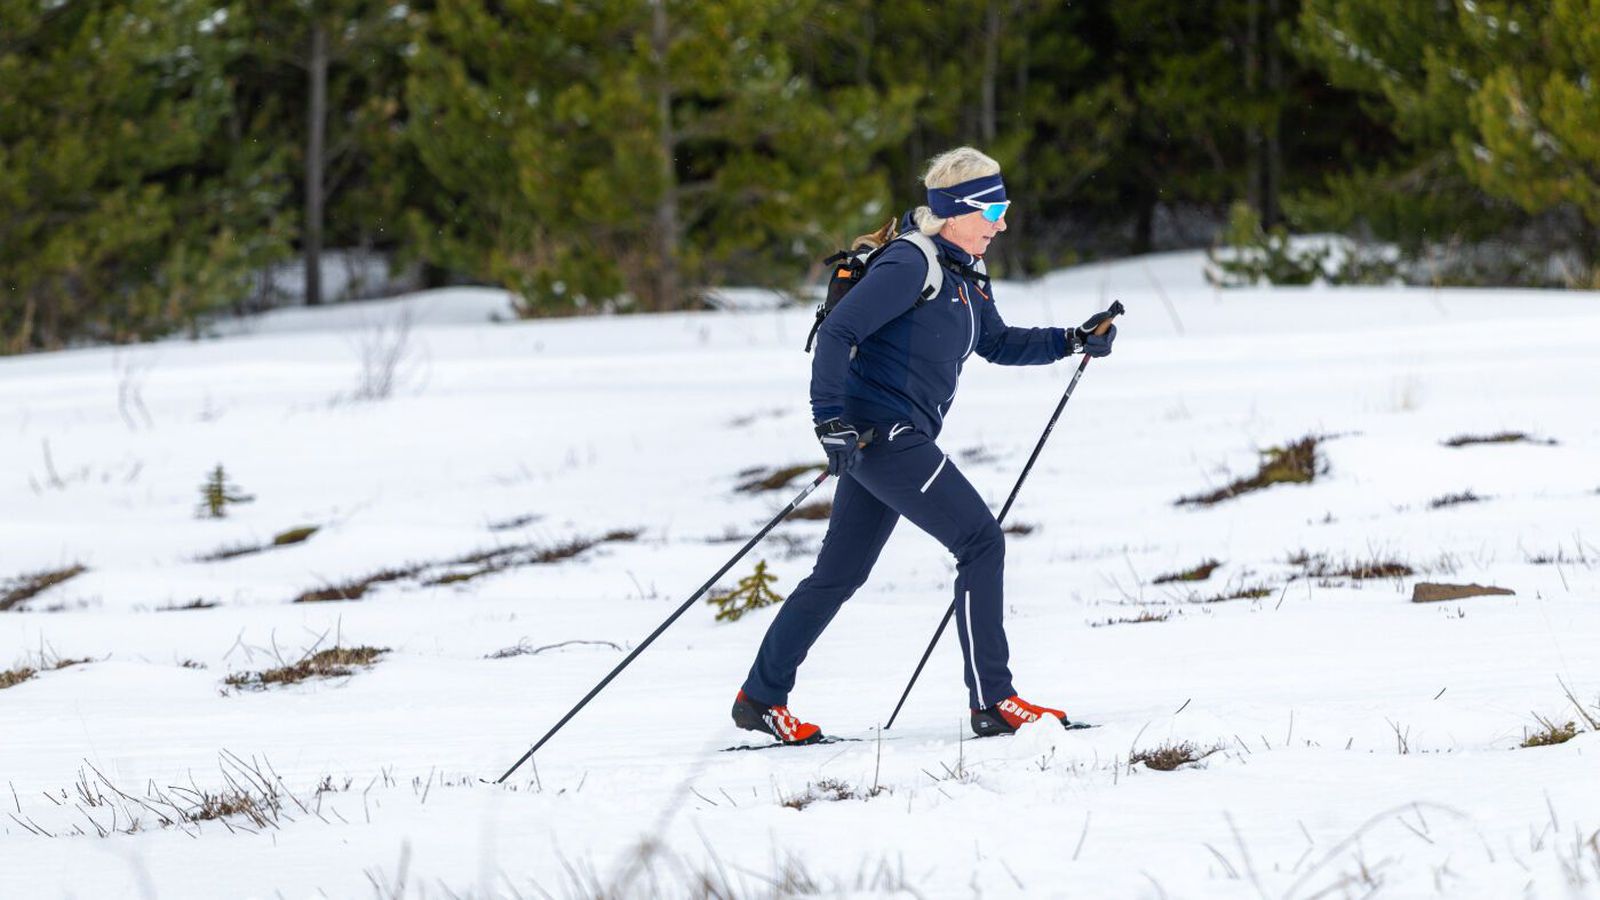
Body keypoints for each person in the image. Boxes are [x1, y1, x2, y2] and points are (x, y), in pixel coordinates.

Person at [730, 147, 1117, 744]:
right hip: (883, 434)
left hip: (887, 437)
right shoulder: (911, 265)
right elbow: (838, 333)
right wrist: (828, 420)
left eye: (1004, 207)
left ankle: (760, 697)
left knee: (839, 574)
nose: (1003, 222)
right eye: (994, 208)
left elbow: (997, 343)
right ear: (958, 210)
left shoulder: (963, 270)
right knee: (980, 541)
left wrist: (1071, 339)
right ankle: (995, 701)